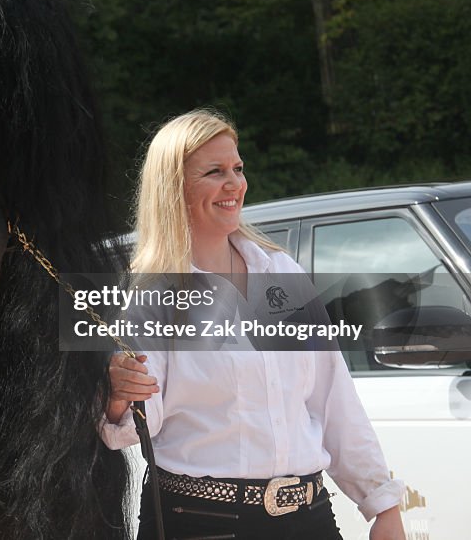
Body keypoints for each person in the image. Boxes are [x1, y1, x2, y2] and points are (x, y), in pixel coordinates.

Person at [100, 109, 405, 540]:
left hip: (310, 517)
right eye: (215, 171)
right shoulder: (153, 295)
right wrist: (118, 396)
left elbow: (334, 400)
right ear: (175, 188)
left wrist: (382, 505)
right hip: (200, 522)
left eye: (238, 168)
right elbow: (136, 425)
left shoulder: (280, 272)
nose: (235, 184)